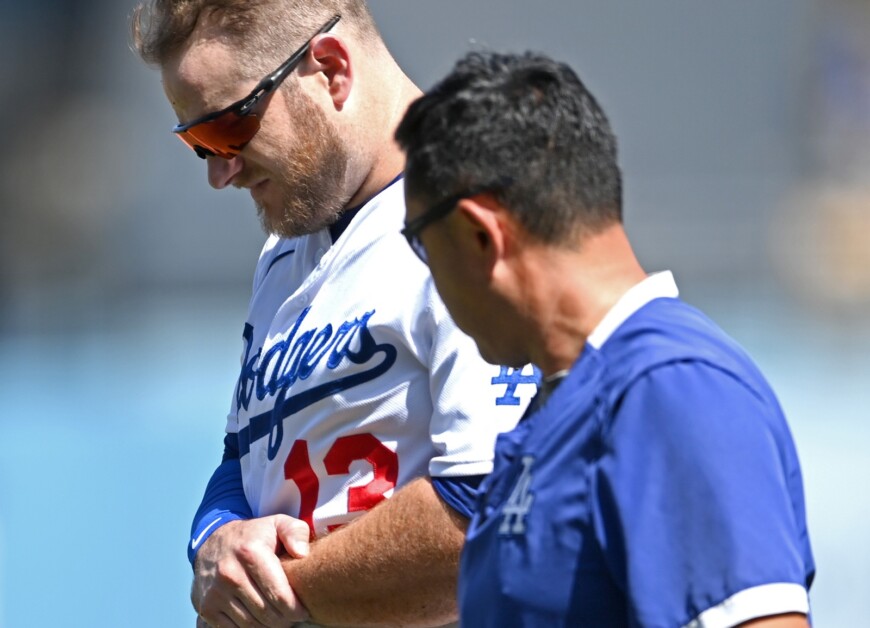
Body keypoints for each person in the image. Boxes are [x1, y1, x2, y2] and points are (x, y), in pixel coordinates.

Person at [131, 3, 538, 627]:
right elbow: (243, 459)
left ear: (329, 68)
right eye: (197, 143)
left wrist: (278, 600)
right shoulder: (287, 249)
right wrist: (215, 543)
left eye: (228, 129)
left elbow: (489, 512)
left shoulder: (479, 214)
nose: (220, 172)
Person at [395, 50, 816, 627]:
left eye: (419, 244)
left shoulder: (670, 390)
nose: (429, 281)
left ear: (479, 234)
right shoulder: (562, 405)